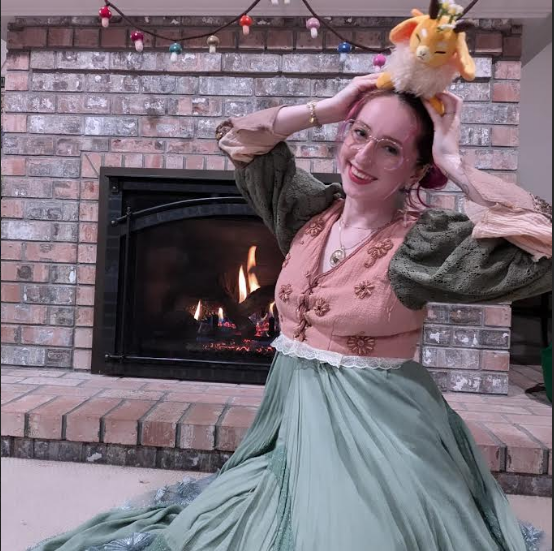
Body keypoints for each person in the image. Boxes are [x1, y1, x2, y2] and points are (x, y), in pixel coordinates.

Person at [30, 75, 552, 551]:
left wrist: (455, 162)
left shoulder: (423, 245)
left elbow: (544, 245)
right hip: (293, 420)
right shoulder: (308, 212)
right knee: (210, 529)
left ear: (416, 169)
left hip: (376, 431)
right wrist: (327, 109)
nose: (363, 156)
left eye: (390, 148)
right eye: (359, 133)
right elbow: (239, 139)